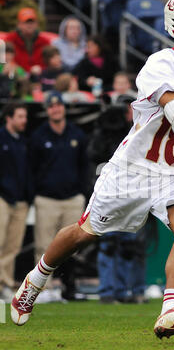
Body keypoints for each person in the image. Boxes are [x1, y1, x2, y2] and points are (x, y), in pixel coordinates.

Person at [11, 0, 174, 338]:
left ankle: (170, 311)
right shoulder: (160, 63)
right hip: (135, 167)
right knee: (83, 233)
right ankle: (36, 279)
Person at [28, 91, 89, 301]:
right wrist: (36, 192)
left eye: (59, 105)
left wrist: (83, 192)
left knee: (72, 246)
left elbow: (84, 167)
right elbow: (32, 169)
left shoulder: (76, 134)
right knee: (44, 246)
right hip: (46, 199)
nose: (56, 109)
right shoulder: (38, 136)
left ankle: (68, 288)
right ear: (47, 110)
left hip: (72, 198)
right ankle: (42, 291)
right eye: (51, 106)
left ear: (63, 108)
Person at [87, 95, 147, 304]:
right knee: (109, 243)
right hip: (113, 193)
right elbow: (94, 154)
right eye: (124, 109)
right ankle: (108, 292)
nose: (127, 113)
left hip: (135, 193)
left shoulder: (143, 129)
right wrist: (105, 128)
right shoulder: (106, 130)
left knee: (133, 246)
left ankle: (129, 291)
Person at [0, 102, 33, 302]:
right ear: (9, 118)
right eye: (20, 116)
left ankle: (5, 283)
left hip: (20, 201)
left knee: (12, 247)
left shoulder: (23, 141)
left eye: (25, 117)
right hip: (2, 198)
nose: (24, 121)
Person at [5, 7, 50, 74]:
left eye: (32, 22)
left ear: (37, 24)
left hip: (39, 76)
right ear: (19, 24)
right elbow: (5, 59)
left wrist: (41, 69)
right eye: (26, 22)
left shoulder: (45, 42)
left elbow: (51, 61)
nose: (29, 25)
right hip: (17, 76)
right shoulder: (10, 40)